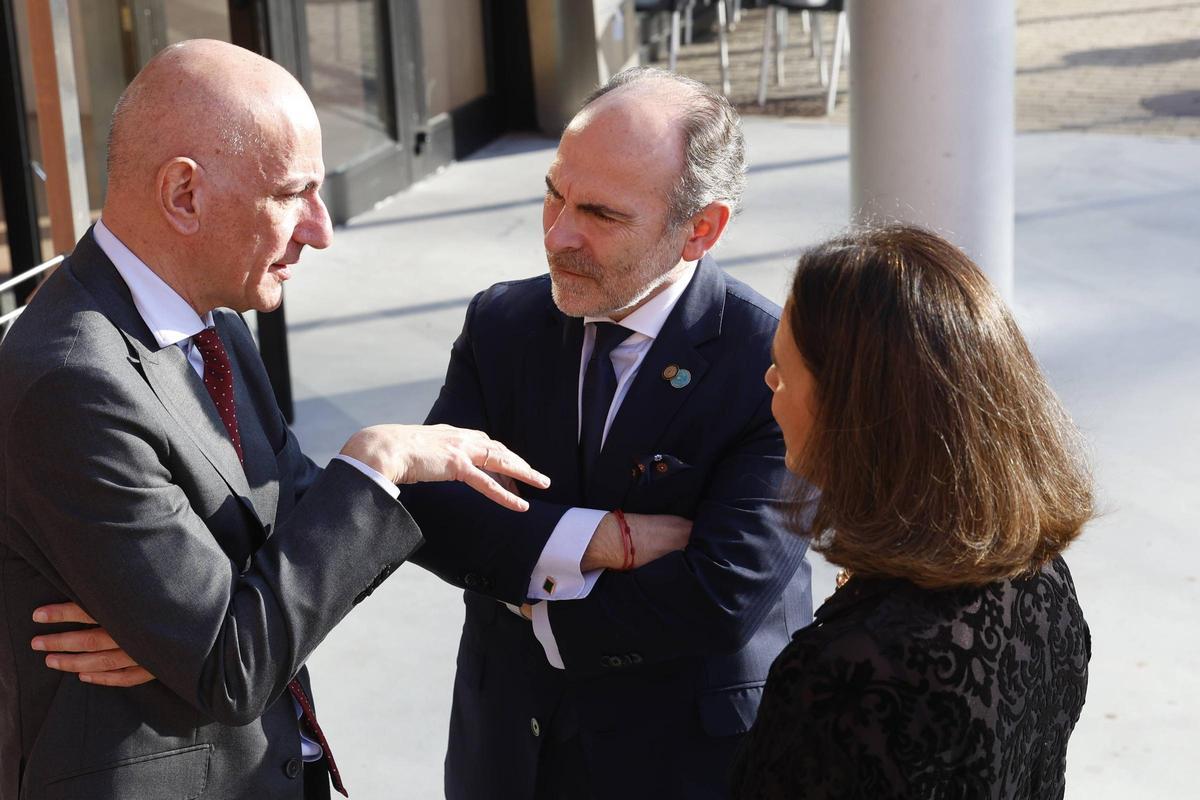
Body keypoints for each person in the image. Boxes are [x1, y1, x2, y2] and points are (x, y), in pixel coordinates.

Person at [0, 40, 548, 800]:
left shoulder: (210, 322)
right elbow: (231, 663)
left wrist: (173, 636)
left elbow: (293, 524)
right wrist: (371, 462)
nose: (320, 229)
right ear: (184, 195)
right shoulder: (73, 381)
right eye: (294, 193)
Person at [397, 67, 813, 799]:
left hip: (684, 766)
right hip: (508, 755)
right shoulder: (502, 324)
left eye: (601, 214)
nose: (558, 236)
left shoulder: (774, 362)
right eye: (553, 193)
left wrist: (532, 600)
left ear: (701, 230)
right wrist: (602, 540)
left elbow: (720, 595)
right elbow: (433, 511)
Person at [732, 225, 1094, 799]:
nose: (769, 381)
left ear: (851, 414)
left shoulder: (847, 673)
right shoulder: (1042, 578)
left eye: (785, 368)